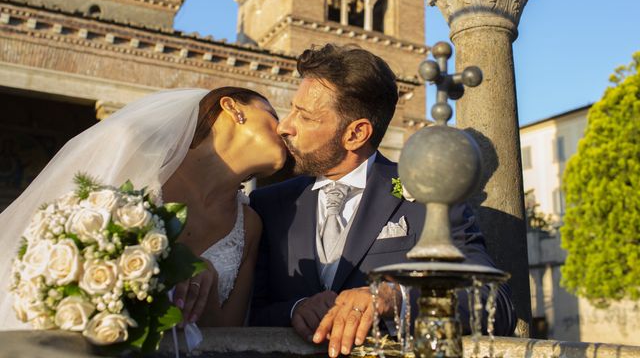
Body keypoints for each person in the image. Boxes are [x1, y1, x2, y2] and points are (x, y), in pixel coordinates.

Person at [249, 44, 516, 357]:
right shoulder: (268, 204)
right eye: (293, 109)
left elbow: (495, 303)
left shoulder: (425, 195)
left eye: (305, 117)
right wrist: (294, 310)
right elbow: (244, 310)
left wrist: (397, 298)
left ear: (356, 134)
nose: (285, 126)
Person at [0, 87, 287, 331]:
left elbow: (230, 339)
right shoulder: (134, 158)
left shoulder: (249, 225)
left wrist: (205, 286)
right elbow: (53, 261)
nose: (285, 128)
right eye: (273, 115)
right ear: (233, 108)